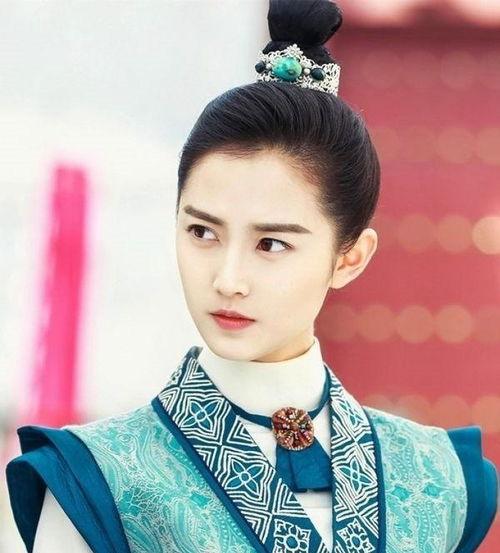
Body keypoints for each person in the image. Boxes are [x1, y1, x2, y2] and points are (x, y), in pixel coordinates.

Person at [6, 1, 498, 552]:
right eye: (202, 232)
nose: (228, 279)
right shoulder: (98, 478)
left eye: (271, 244)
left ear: (350, 258)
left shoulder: (437, 480)